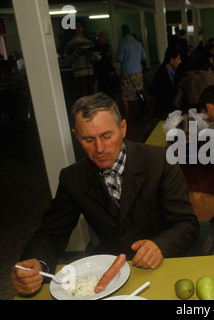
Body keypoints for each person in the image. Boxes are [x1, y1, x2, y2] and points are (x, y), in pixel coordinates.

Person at [11, 92, 198, 296]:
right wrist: (36, 264)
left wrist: (160, 246)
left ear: (123, 128)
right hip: (108, 274)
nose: (99, 148)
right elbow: (50, 233)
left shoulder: (160, 160)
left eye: (106, 136)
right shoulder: (72, 178)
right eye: (88, 139)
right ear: (76, 136)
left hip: (164, 266)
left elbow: (186, 223)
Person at [115, 25, 147, 117]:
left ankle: (126, 116)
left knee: (124, 96)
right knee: (139, 93)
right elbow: (144, 57)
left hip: (127, 73)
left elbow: (119, 58)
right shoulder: (138, 43)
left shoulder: (122, 44)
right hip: (138, 72)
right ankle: (142, 112)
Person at [64, 20, 95, 98]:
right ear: (73, 29)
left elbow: (93, 56)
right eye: (76, 26)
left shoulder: (89, 42)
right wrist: (76, 53)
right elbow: (67, 60)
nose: (79, 28)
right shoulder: (70, 44)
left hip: (90, 71)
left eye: (80, 26)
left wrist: (93, 56)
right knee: (83, 95)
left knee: (92, 94)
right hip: (79, 72)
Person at [151, 46, 182, 120]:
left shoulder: (176, 71)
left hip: (172, 107)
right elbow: (159, 93)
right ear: (171, 59)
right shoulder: (161, 73)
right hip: (164, 110)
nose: (180, 61)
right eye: (178, 59)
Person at [93, 30, 117, 98]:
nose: (100, 38)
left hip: (108, 70)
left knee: (110, 89)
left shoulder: (108, 47)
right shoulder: (95, 47)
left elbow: (112, 59)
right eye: (99, 37)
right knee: (101, 89)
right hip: (99, 71)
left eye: (101, 36)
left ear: (105, 37)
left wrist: (112, 70)